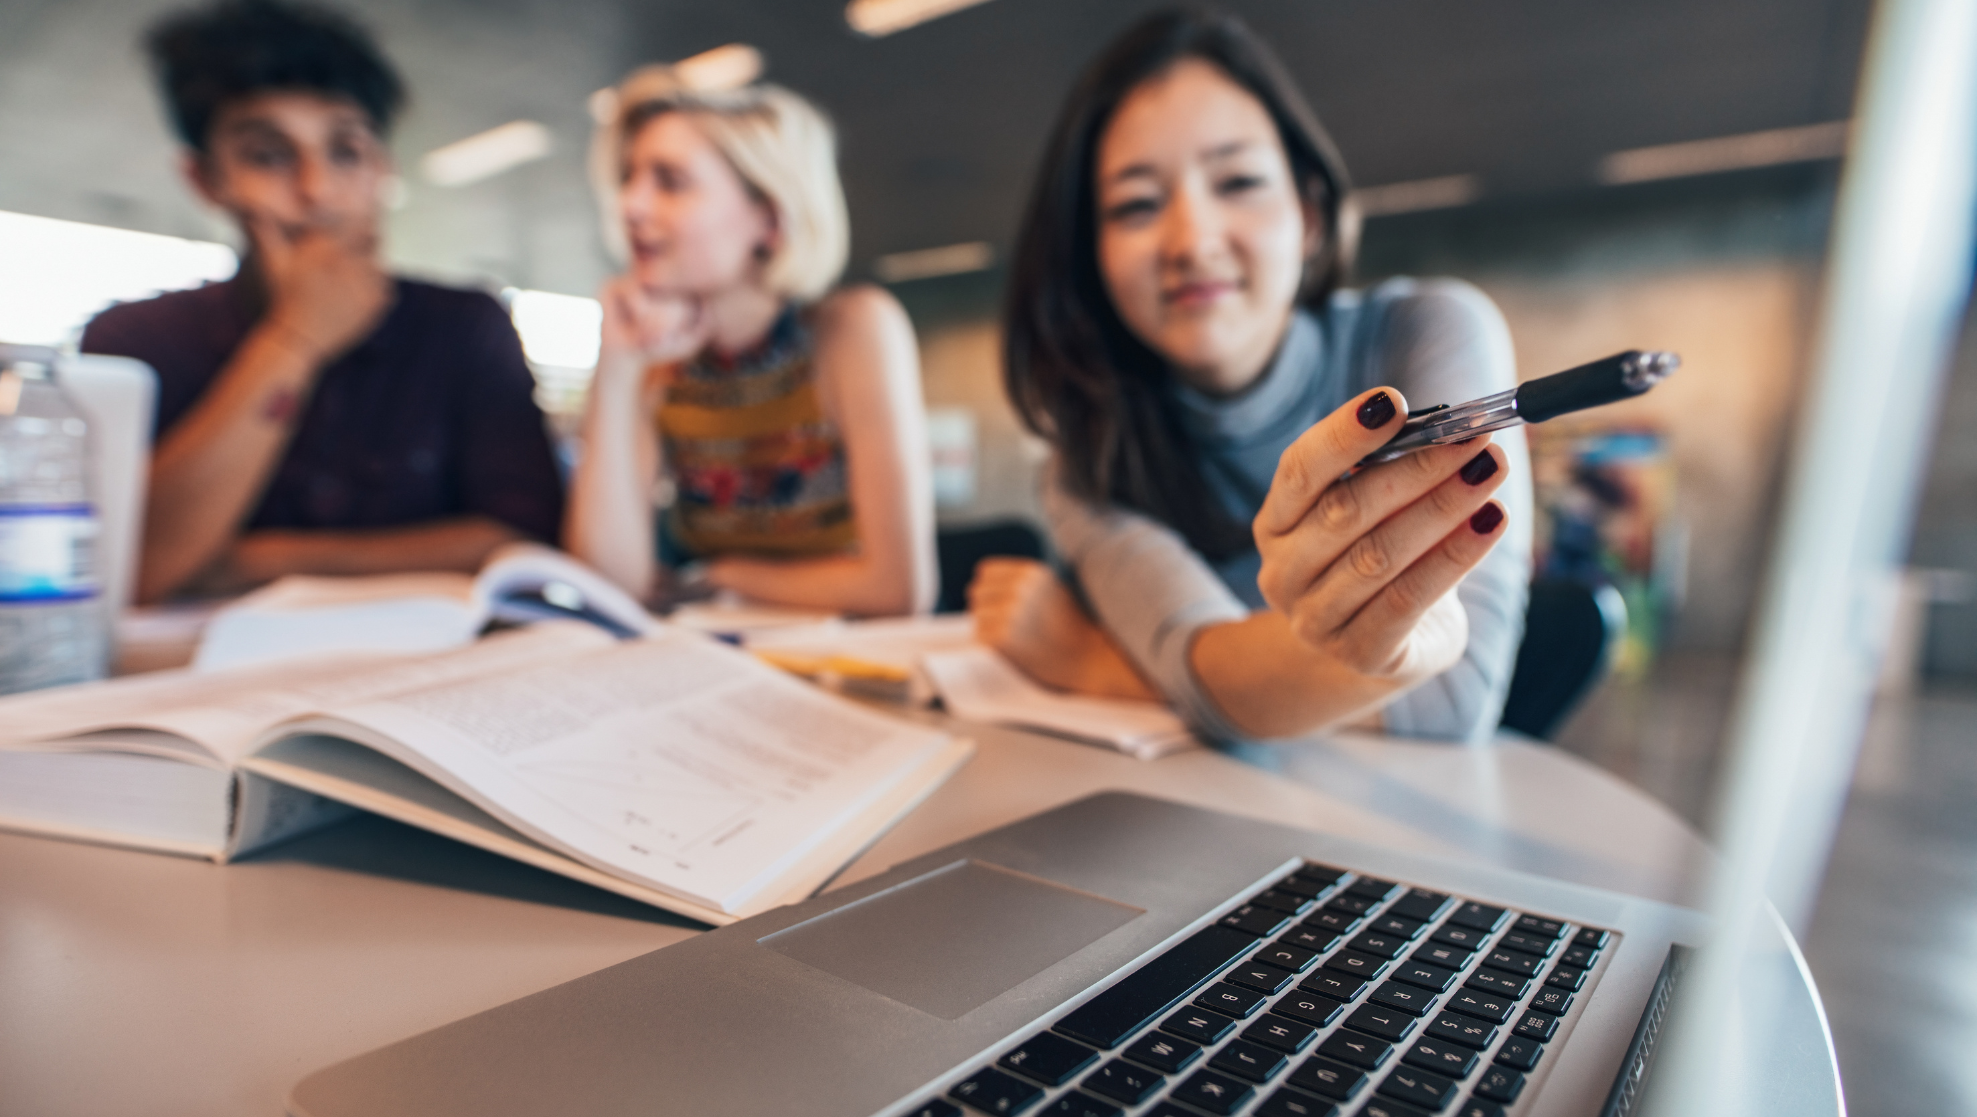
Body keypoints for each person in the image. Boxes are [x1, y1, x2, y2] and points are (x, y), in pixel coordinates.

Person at [969, 8, 1534, 744]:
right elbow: (1205, 658)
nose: (1192, 240)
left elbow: (1449, 699)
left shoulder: (1425, 333)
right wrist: (1209, 673)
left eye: (1236, 181)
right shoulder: (1091, 455)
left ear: (1308, 215)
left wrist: (1096, 660)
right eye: (1136, 204)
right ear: (1091, 256)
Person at [82, 0, 565, 604]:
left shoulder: (464, 327)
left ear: (380, 168)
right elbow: (138, 566)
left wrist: (252, 561)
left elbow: (523, 541)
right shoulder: (134, 342)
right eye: (269, 155)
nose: (316, 190)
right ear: (207, 180)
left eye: (344, 151)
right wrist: (295, 339)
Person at [564, 67, 935, 616]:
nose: (631, 206)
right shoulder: (655, 359)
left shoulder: (851, 331)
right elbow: (608, 587)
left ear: (769, 218)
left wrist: (720, 576)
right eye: (629, 178)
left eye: (670, 181)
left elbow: (897, 591)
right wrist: (616, 370)